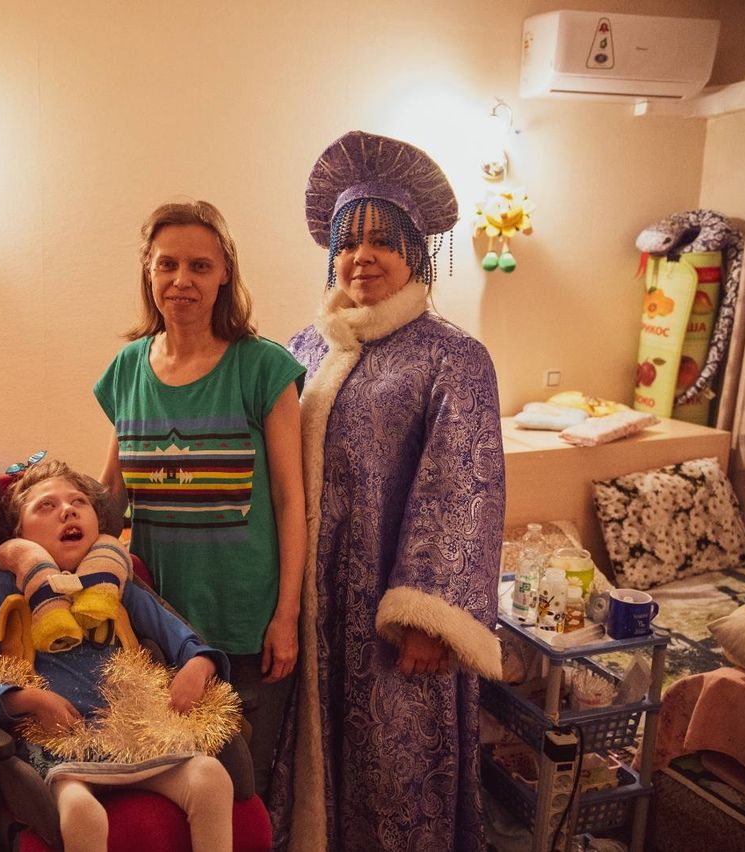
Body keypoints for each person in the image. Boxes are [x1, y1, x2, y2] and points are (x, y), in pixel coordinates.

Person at [269, 130, 505, 851]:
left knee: (393, 778)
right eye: (347, 242)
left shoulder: (453, 357)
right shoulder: (305, 349)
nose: (361, 257)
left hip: (391, 615)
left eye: (381, 240)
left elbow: (462, 487)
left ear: (416, 250)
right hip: (313, 605)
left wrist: (428, 616)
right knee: (312, 767)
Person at [93, 201, 306, 798]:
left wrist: (286, 616)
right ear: (149, 270)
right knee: (169, 793)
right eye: (168, 264)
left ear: (224, 275)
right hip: (156, 627)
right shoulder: (127, 369)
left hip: (245, 623)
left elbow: (291, 501)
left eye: (200, 266)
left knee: (240, 793)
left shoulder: (263, 367)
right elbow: (111, 494)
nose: (181, 280)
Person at [0, 458, 237, 852]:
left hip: (134, 733)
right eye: (46, 506)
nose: (68, 510)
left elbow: (186, 641)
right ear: (20, 534)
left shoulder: (118, 585)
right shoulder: (0, 591)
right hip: (58, 747)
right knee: (81, 811)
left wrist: (199, 664)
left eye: (79, 502)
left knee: (211, 776)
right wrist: (29, 700)